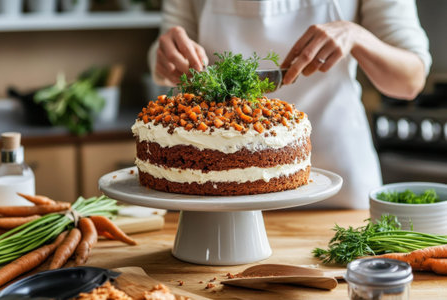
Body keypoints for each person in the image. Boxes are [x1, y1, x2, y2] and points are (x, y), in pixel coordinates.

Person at [147, 0, 431, 209]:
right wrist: (165, 57)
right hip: (212, 194)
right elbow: (165, 55)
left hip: (337, 185)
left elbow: (411, 79)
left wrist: (356, 36)